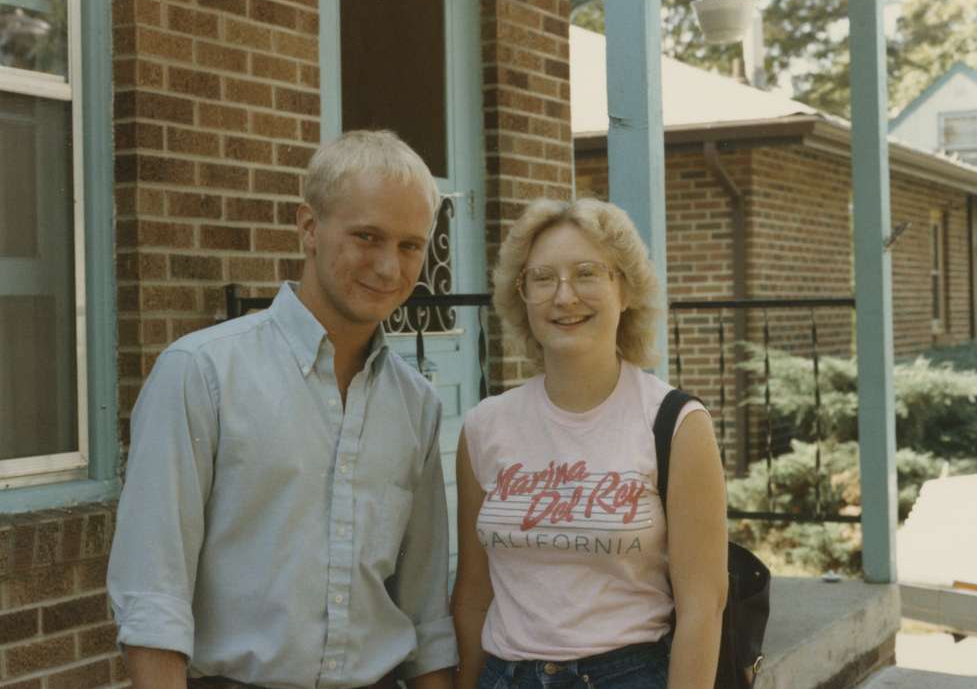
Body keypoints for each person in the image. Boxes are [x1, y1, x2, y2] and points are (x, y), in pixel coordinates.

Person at [107, 130, 457, 689]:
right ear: (309, 228)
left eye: (410, 245)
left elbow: (423, 612)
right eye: (366, 237)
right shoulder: (201, 373)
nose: (389, 268)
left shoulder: (417, 405)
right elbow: (154, 595)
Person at [451, 198, 728, 689]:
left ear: (624, 289)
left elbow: (703, 607)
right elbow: (473, 596)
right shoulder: (483, 428)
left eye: (586, 273)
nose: (564, 296)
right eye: (542, 278)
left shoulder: (676, 424)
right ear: (522, 297)